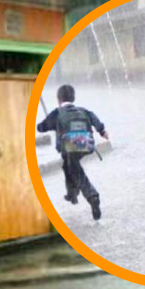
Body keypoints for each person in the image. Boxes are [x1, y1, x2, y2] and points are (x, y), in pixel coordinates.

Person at [37, 84, 108, 220]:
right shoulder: (84, 111)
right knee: (70, 165)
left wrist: (47, 125)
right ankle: (72, 194)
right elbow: (96, 120)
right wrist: (102, 131)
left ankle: (91, 195)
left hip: (69, 146)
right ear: (73, 98)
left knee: (71, 165)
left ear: (58, 99)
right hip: (86, 144)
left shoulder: (57, 113)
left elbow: (41, 128)